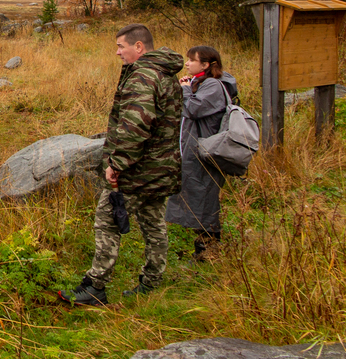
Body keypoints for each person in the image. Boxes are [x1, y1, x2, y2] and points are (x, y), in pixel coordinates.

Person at [60, 24, 182, 305]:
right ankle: (152, 281)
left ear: (138, 47)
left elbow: (135, 126)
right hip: (163, 167)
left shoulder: (144, 76)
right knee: (153, 222)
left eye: (120, 46)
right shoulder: (166, 72)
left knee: (107, 220)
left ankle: (95, 287)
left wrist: (117, 164)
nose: (117, 53)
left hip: (138, 171)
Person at [165, 46, 237, 260]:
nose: (186, 64)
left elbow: (192, 109)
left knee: (205, 198)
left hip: (206, 153)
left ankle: (210, 252)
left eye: (191, 60)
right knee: (198, 197)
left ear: (205, 65)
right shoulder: (202, 84)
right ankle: (204, 250)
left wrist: (185, 90)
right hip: (198, 151)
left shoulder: (213, 85)